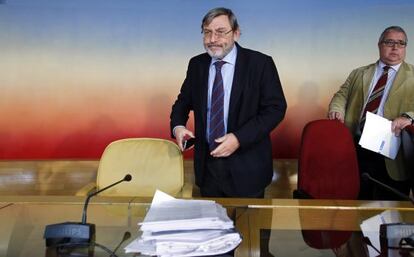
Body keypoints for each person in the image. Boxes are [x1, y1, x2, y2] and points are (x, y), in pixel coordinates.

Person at [170, 7, 286, 198]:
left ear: (236, 33)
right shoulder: (197, 64)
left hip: (248, 168)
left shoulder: (260, 64)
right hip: (207, 170)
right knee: (211, 227)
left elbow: (275, 109)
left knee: (249, 228)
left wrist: (239, 138)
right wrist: (178, 127)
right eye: (207, 32)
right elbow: (183, 102)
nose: (212, 39)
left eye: (220, 32)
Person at [328, 26, 414, 200]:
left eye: (401, 43)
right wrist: (336, 108)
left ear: (405, 47)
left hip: (393, 152)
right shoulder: (359, 73)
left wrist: (409, 116)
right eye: (390, 42)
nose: (395, 47)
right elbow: (341, 95)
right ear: (379, 44)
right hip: (356, 146)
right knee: (356, 206)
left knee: (390, 213)